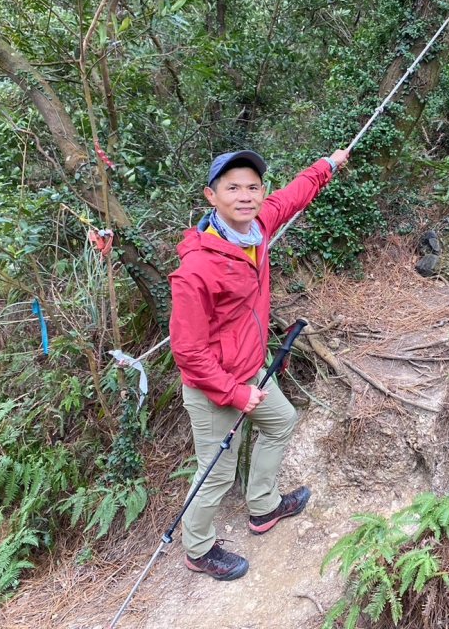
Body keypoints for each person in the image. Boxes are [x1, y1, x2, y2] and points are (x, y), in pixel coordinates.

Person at [168, 147, 349, 581]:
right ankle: (197, 550)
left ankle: (264, 507)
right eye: (233, 188)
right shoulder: (196, 269)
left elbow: (293, 196)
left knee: (281, 420)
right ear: (211, 196)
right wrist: (234, 393)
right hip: (213, 387)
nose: (245, 196)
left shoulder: (257, 229)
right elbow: (188, 353)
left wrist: (327, 166)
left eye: (253, 187)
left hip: (251, 369)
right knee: (216, 472)